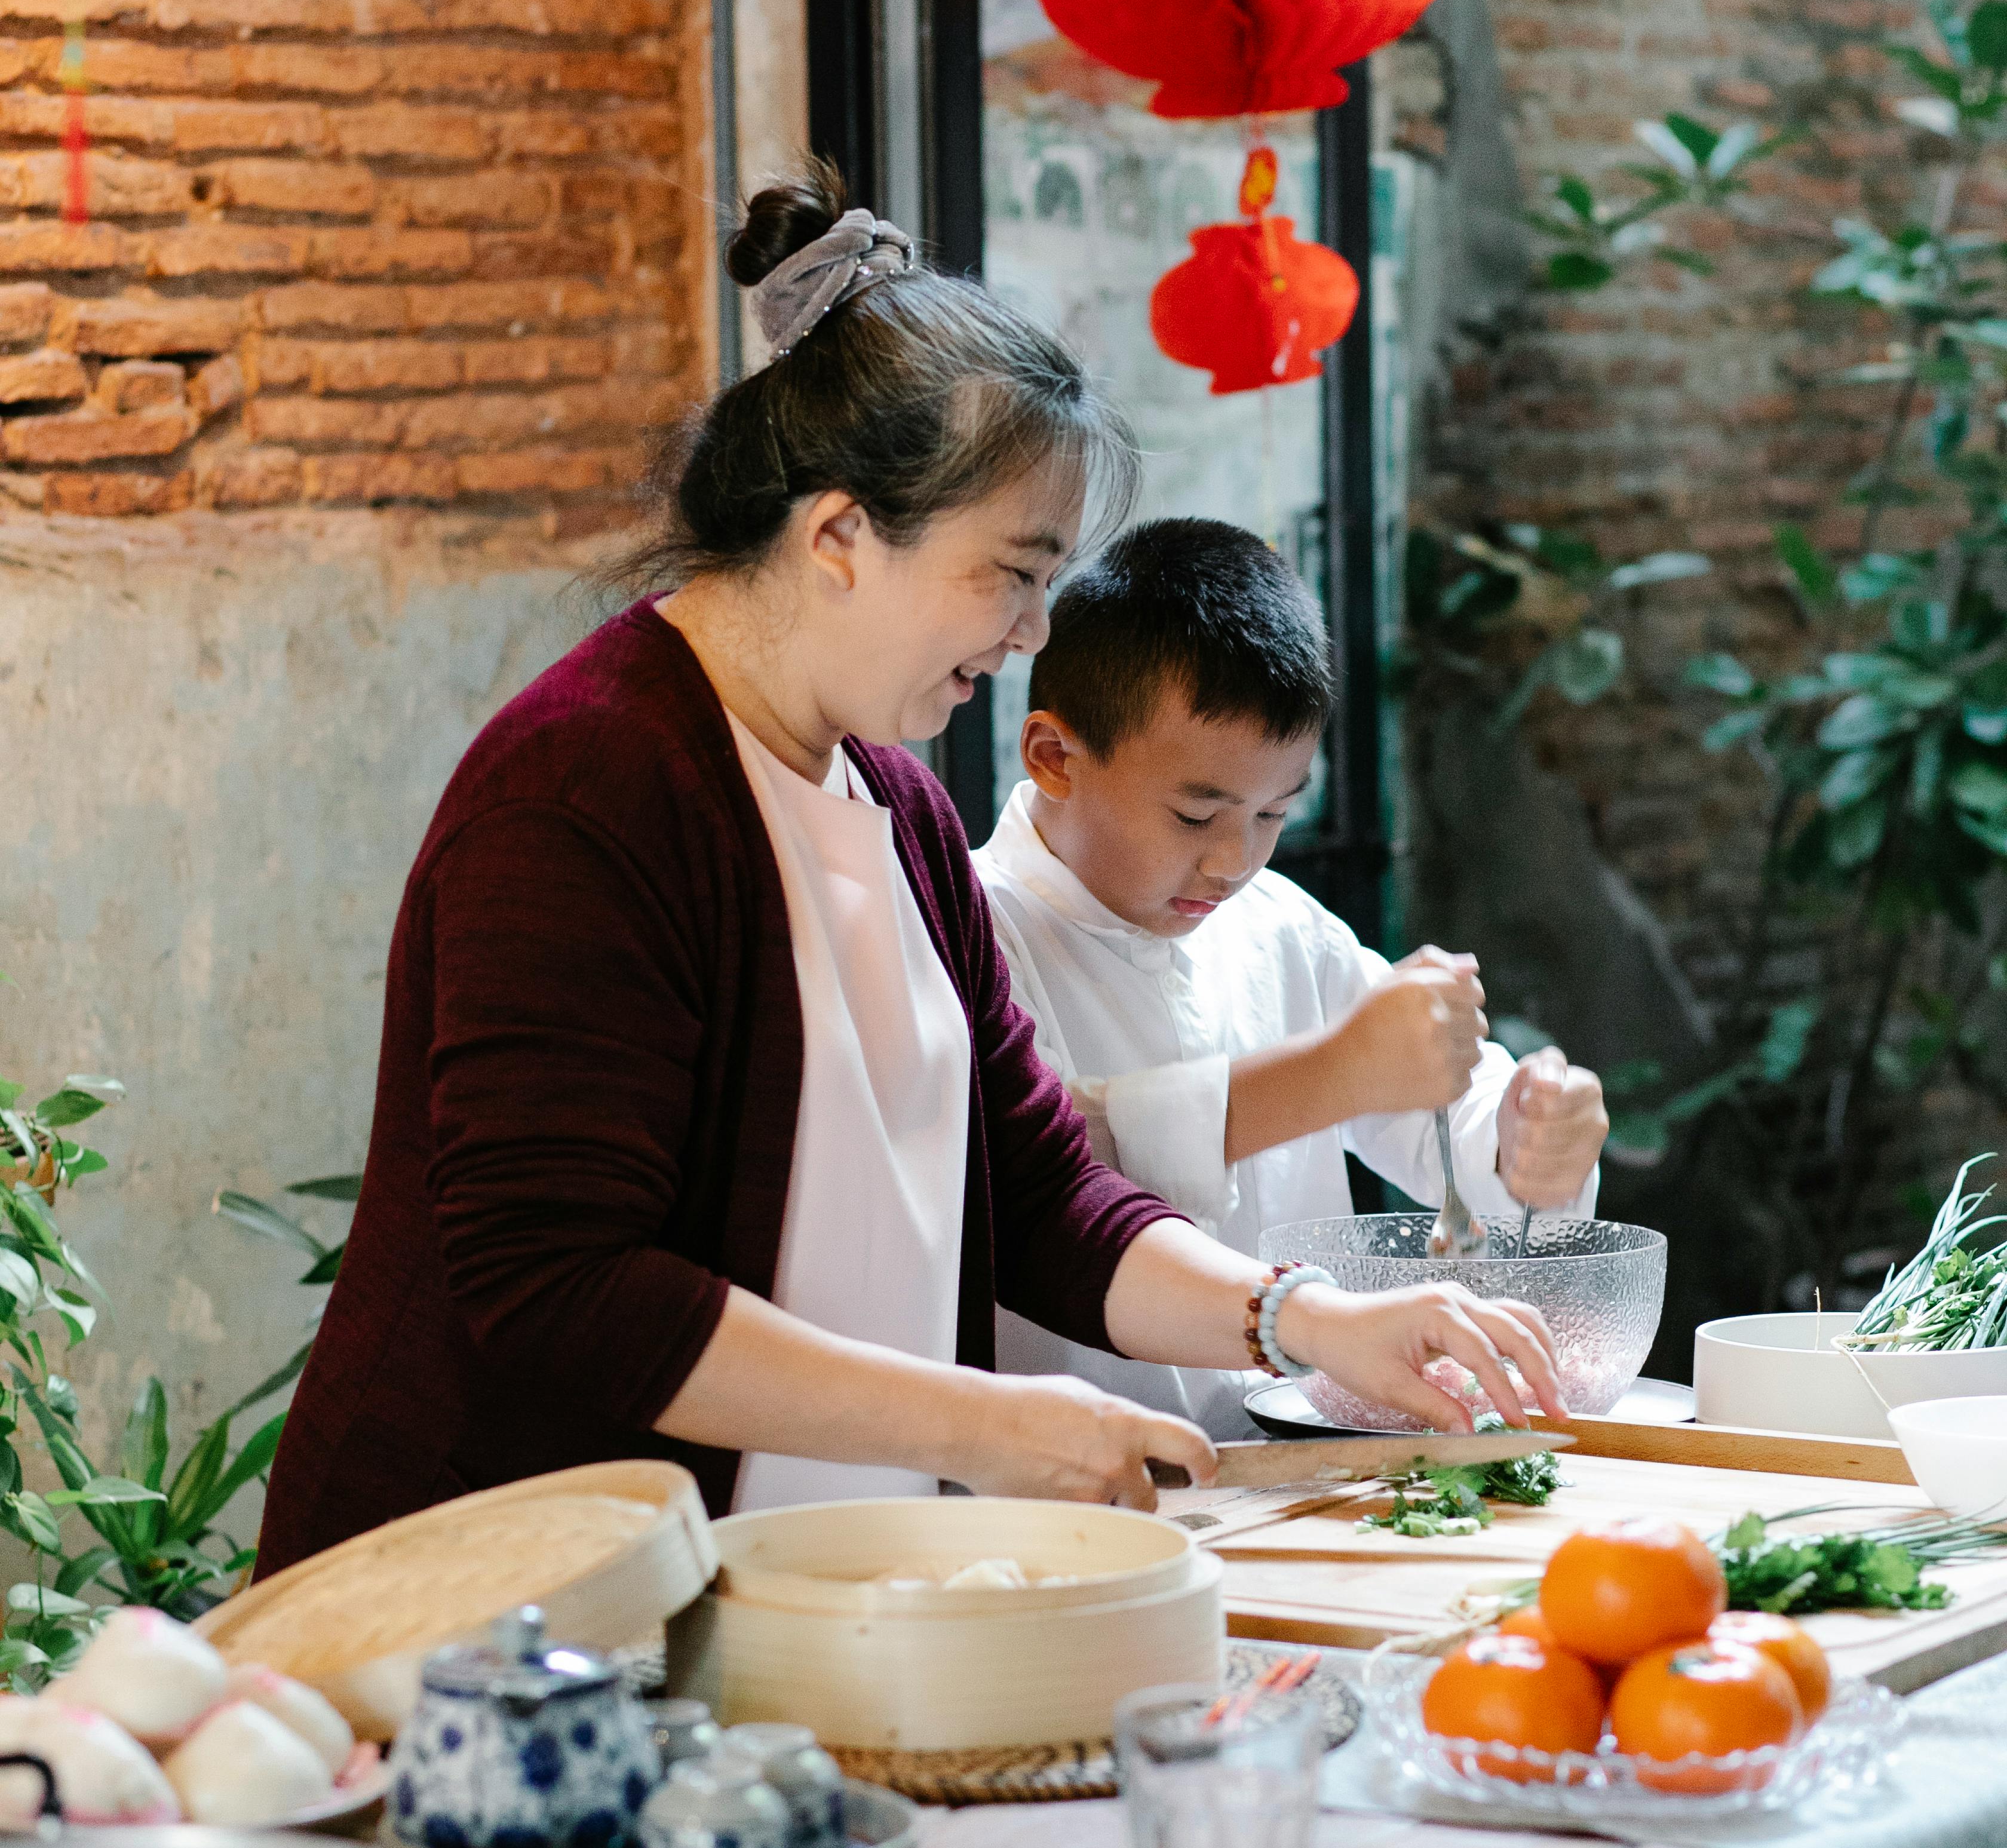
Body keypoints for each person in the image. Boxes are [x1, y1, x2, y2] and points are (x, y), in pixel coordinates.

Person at [255, 177, 1565, 1579]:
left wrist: (1303, 1318)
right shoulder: (588, 790)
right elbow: (562, 1288)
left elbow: (1038, 1184)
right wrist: (985, 1425)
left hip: (795, 1584)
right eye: (1012, 574)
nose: (1032, 632)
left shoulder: (898, 807)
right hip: (500, 1610)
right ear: (838, 539)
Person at [974, 520, 1610, 1438]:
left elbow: (1445, 1126)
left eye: (1275, 811)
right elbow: (1048, 1174)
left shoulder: (1280, 926)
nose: (1235, 860)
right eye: (1197, 814)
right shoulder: (981, 930)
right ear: (1054, 757)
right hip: (1076, 1503)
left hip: (1302, 1477)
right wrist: (1336, 1072)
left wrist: (1527, 1129)